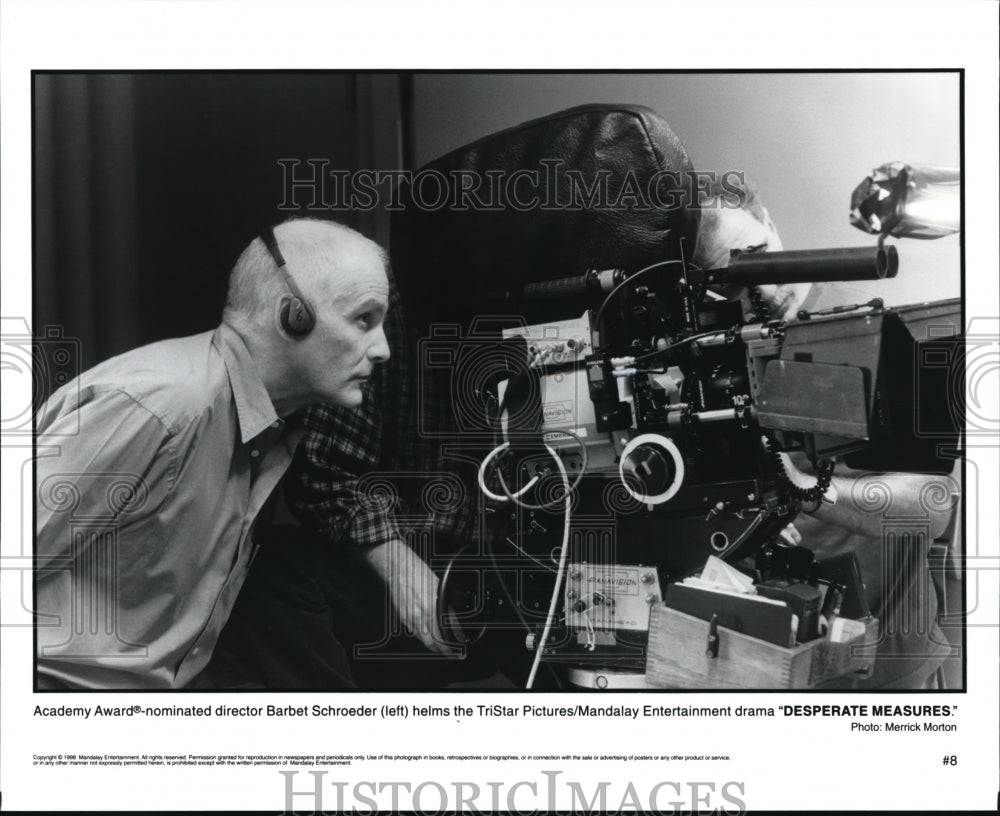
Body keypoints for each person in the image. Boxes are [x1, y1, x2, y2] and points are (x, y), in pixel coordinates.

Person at [34, 217, 391, 689]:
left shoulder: (272, 421)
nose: (383, 348)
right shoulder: (163, 406)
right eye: (363, 320)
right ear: (292, 315)